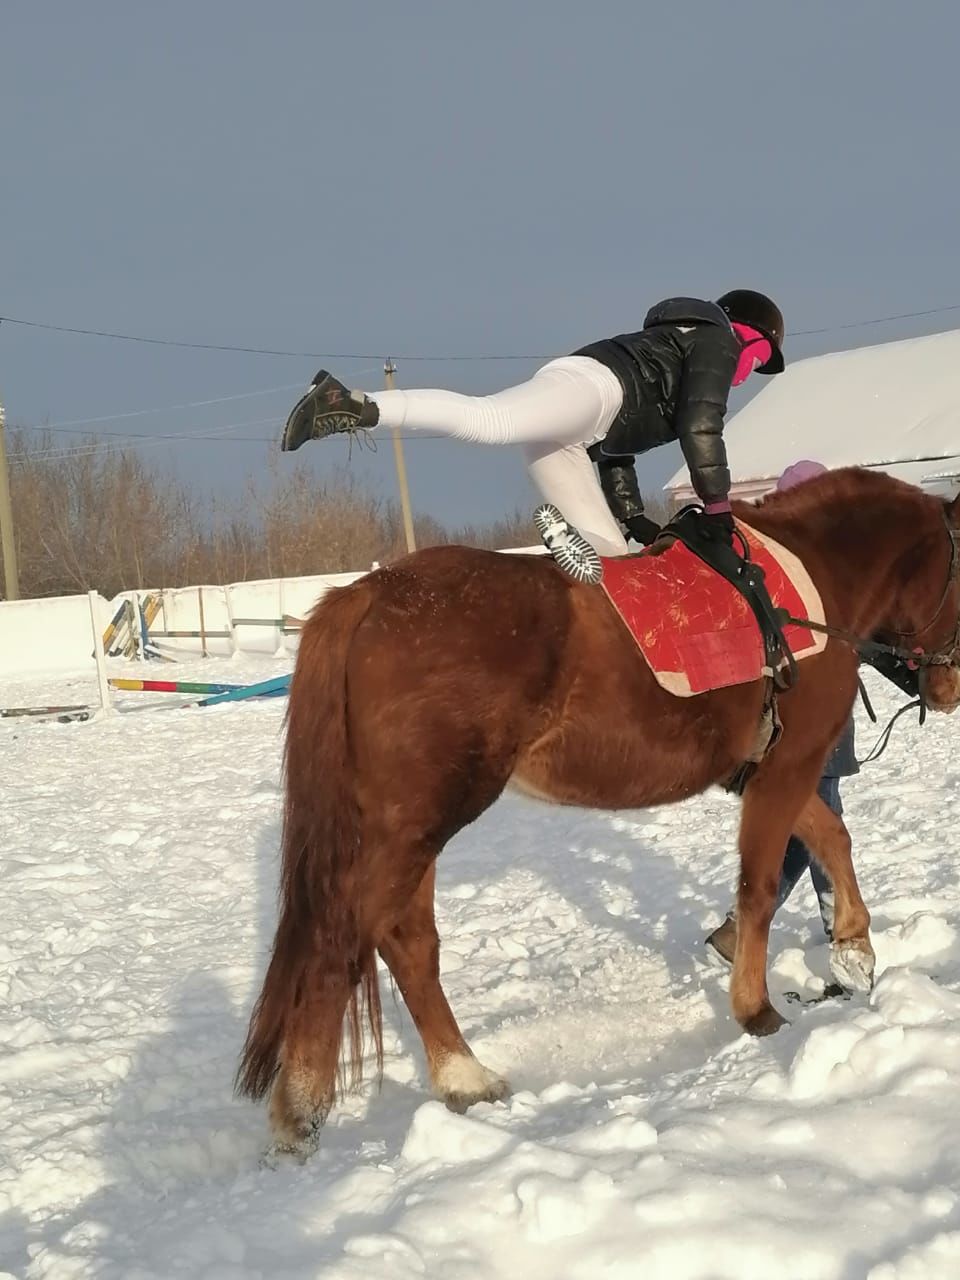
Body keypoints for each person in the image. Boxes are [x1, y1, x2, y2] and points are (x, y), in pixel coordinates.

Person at [280, 290, 785, 558]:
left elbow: (616, 452)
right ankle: (351, 404)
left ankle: (569, 548)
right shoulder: (716, 342)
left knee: (609, 556)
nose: (751, 374)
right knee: (491, 420)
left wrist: (635, 523)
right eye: (759, 360)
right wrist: (718, 509)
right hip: (594, 388)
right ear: (747, 337)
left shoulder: (684, 351)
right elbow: (702, 427)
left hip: (587, 426)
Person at [705, 460, 859, 964]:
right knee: (821, 814)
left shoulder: (809, 567)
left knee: (807, 817)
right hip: (800, 717)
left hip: (811, 714)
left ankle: (739, 930)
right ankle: (842, 933)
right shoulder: (785, 572)